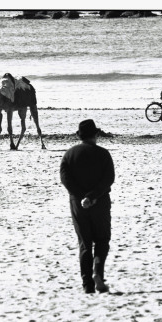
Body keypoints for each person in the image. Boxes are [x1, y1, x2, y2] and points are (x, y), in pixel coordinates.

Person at [60, 119, 115, 294]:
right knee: (102, 240)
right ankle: (97, 272)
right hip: (100, 202)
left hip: (78, 204)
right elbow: (108, 179)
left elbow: (65, 180)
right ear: (96, 135)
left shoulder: (69, 155)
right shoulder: (104, 154)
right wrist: (92, 196)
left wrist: (82, 196)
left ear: (79, 135)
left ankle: (87, 285)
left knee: (84, 244)